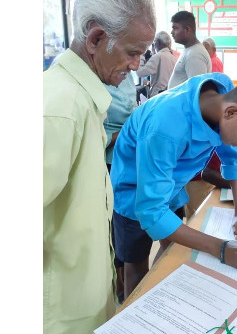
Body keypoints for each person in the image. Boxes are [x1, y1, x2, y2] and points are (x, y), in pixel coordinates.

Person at [111, 69, 237, 298]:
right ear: (231, 113)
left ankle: (156, 295)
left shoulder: (226, 94)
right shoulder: (165, 126)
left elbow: (232, 157)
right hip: (135, 191)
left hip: (173, 185)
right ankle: (133, 306)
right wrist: (222, 249)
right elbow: (151, 211)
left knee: (172, 248)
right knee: (136, 264)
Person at [43, 0, 155, 334]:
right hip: (58, 310)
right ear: (96, 39)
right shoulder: (61, 106)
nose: (137, 65)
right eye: (132, 52)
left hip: (83, 295)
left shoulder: (85, 100)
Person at [102, 76, 138, 304]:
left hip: (125, 161)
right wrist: (126, 131)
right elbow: (95, 136)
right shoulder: (95, 82)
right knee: (111, 225)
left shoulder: (125, 76)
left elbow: (130, 108)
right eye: (132, 53)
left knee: (120, 227)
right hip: (107, 162)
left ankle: (121, 281)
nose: (135, 64)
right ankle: (117, 282)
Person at [167, 11, 212, 88]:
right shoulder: (190, 50)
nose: (172, 32)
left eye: (175, 28)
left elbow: (195, 90)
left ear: (187, 30)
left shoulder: (195, 54)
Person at [136, 31, 178, 96]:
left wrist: (141, 54)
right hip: (170, 94)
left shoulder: (158, 57)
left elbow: (139, 72)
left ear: (157, 43)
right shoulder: (174, 58)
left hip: (158, 95)